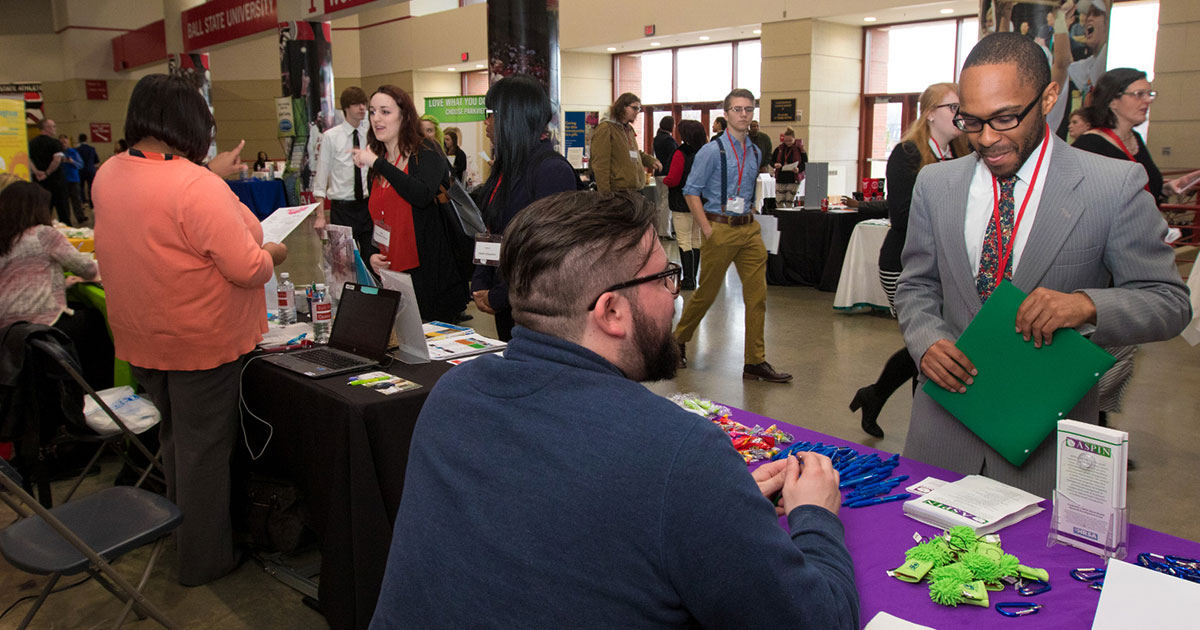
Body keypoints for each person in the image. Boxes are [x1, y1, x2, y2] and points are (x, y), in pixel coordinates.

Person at [370, 191, 859, 629]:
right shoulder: (680, 452)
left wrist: (715, 507)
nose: (675, 297)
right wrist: (815, 516)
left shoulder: (455, 394)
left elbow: (558, 526)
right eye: (665, 278)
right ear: (611, 312)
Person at [894, 33, 1190, 499]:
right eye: (971, 121)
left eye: (1005, 118)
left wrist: (1086, 305)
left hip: (1045, 444)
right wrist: (926, 340)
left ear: (1049, 98)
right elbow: (917, 286)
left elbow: (1169, 302)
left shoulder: (1112, 186)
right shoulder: (935, 183)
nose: (986, 138)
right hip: (941, 432)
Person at [92, 73, 288, 586]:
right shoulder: (196, 186)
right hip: (201, 341)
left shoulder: (109, 173)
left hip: (144, 337)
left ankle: (183, 535)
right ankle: (204, 560)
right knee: (204, 455)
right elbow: (248, 264)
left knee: (177, 443)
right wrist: (273, 252)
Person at [851, 82, 969, 439]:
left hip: (944, 266)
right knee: (929, 343)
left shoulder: (960, 153)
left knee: (932, 341)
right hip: (904, 264)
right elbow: (902, 216)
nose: (960, 115)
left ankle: (875, 395)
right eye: (952, 107)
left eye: (962, 108)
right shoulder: (907, 154)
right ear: (930, 113)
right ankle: (927, 432)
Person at [673, 88, 792, 383]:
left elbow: (747, 190)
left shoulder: (755, 151)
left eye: (748, 109)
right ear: (726, 114)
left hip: (749, 229)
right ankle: (676, 341)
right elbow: (690, 192)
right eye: (737, 109)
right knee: (707, 293)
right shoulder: (711, 151)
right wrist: (707, 228)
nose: (743, 114)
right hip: (720, 228)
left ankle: (755, 361)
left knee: (757, 296)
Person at [470, 74, 578, 341]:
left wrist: (500, 294)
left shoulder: (551, 171)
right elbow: (492, 230)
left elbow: (545, 253)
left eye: (491, 114)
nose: (486, 122)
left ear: (511, 117)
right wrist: (481, 280)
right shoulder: (506, 168)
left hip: (539, 312)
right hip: (508, 302)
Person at [357, 85, 468, 323]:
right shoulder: (379, 162)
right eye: (372, 112)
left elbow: (421, 195)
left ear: (404, 115)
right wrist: (371, 254)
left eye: (385, 112)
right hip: (392, 274)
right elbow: (375, 218)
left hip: (428, 275)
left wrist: (378, 164)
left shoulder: (425, 151)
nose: (376, 118)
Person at [1072, 68, 1162, 199]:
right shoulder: (1090, 145)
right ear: (1113, 101)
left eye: (1149, 94)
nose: (1148, 100)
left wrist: (1167, 189)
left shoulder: (1135, 138)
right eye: (1139, 94)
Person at [313, 87, 372, 258]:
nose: (362, 108)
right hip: (342, 209)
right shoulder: (331, 137)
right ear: (346, 107)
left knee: (372, 257)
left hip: (367, 207)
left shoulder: (370, 135)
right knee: (344, 262)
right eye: (356, 104)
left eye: (364, 103)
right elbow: (321, 178)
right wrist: (320, 216)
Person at [663, 120, 707, 290]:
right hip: (700, 201)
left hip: (682, 201)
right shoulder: (705, 152)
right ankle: (693, 277)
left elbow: (674, 179)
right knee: (696, 239)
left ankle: (688, 279)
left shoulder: (680, 153)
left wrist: (665, 180)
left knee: (684, 239)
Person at [589, 93, 660, 193]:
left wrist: (650, 160)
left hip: (635, 190)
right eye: (634, 108)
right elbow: (600, 164)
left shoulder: (628, 128)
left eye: (638, 109)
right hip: (618, 192)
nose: (637, 112)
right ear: (622, 107)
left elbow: (633, 153)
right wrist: (606, 195)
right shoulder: (606, 128)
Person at [28, 119, 77, 226]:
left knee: (44, 212)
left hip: (40, 183)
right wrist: (47, 173)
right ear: (47, 128)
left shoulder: (31, 143)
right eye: (53, 126)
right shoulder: (55, 143)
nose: (55, 129)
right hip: (57, 182)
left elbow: (29, 160)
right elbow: (56, 160)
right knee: (63, 212)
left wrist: (36, 172)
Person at [652, 116, 678, 236]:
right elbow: (675, 156)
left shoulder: (656, 138)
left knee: (660, 202)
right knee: (666, 203)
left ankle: (660, 229)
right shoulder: (669, 140)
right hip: (667, 173)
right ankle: (665, 231)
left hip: (658, 173)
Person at [771, 128, 807, 208]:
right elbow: (772, 161)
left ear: (794, 139)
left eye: (790, 140)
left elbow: (805, 163)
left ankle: (790, 215)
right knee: (779, 201)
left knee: (789, 201)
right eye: (786, 141)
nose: (788, 143)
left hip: (793, 178)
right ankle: (781, 215)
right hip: (781, 178)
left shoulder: (800, 149)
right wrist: (775, 164)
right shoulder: (779, 149)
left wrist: (799, 169)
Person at [57, 134, 87, 225]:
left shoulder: (73, 152)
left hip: (73, 179)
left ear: (68, 142)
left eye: (65, 142)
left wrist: (72, 161)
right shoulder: (58, 153)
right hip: (62, 180)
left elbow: (81, 165)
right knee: (64, 201)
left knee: (76, 199)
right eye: (61, 143)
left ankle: (80, 217)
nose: (63, 144)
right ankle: (66, 219)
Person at [75, 133, 99, 207]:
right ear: (87, 139)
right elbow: (96, 160)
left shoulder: (76, 150)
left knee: (81, 187)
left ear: (79, 140)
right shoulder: (91, 149)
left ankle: (84, 201)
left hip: (80, 170)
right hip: (90, 170)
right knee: (91, 187)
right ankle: (92, 202)